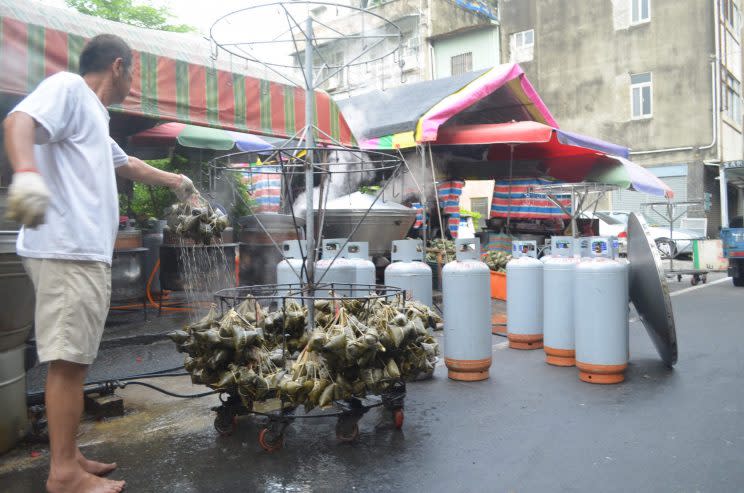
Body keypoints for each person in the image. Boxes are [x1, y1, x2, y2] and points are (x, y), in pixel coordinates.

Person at [3, 34, 197, 493]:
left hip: (79, 252)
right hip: (67, 249)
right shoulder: (68, 87)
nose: (133, 81)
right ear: (118, 66)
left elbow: (126, 163)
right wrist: (27, 174)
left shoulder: (94, 114)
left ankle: (68, 456)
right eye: (132, 72)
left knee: (76, 358)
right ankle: (63, 474)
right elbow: (18, 120)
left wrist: (177, 180)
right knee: (68, 361)